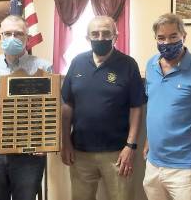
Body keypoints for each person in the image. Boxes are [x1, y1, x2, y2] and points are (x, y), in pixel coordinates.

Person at [61, 16, 147, 200]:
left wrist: (130, 146)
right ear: (87, 38)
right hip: (80, 152)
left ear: (115, 36)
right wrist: (65, 141)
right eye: (95, 34)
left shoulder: (128, 64)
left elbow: (136, 108)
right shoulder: (77, 62)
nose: (100, 38)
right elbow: (67, 104)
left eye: (106, 33)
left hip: (117, 153)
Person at [0, 15, 52, 200]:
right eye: (7, 34)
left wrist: (47, 141)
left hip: (29, 153)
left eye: (18, 34)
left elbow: (52, 108)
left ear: (27, 37)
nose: (12, 38)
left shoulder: (43, 67)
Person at [143, 13, 191, 200]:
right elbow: (155, 107)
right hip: (153, 164)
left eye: (173, 36)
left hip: (185, 168)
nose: (167, 42)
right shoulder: (150, 66)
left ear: (184, 36)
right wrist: (148, 141)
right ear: (155, 39)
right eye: (161, 38)